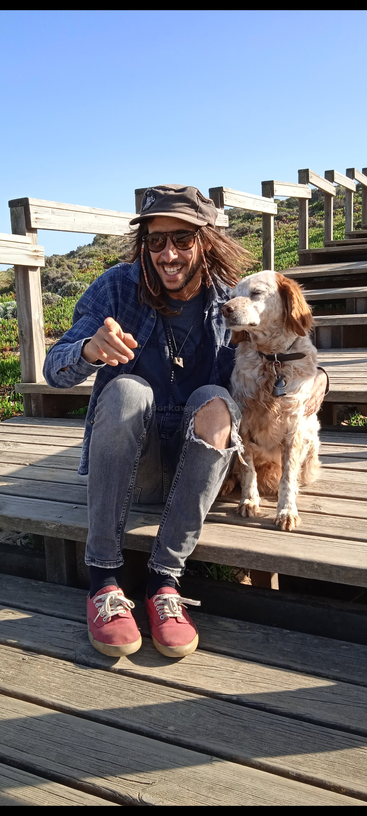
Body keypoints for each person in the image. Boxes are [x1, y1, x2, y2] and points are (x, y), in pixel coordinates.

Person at [43, 184, 328, 660]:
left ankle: (164, 582)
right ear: (145, 244)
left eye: (181, 239)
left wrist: (318, 377)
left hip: (204, 475)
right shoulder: (116, 287)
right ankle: (104, 581)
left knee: (215, 400)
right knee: (127, 389)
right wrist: (89, 350)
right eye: (156, 240)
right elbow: (55, 368)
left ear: (204, 240)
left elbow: (286, 344)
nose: (168, 253)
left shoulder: (230, 299)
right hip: (137, 470)